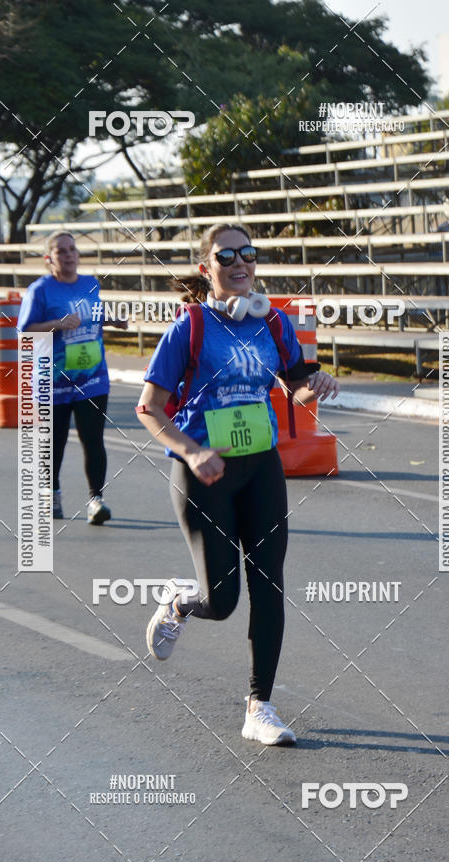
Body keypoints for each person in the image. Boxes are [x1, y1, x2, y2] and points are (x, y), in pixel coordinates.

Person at [136, 223, 339, 746]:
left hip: (262, 467)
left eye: (248, 253)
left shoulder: (273, 322)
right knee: (222, 601)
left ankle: (259, 706)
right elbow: (150, 408)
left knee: (269, 583)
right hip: (206, 474)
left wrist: (314, 384)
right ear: (208, 269)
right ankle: (182, 604)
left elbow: (295, 386)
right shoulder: (189, 328)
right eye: (226, 255)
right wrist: (192, 450)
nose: (240, 262)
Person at [17, 231, 127, 524]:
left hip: (92, 378)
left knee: (93, 439)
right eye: (61, 251)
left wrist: (113, 319)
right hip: (53, 381)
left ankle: (96, 500)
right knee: (55, 443)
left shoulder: (90, 284)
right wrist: (57, 324)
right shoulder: (40, 290)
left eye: (72, 249)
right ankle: (51, 494)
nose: (69, 255)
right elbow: (25, 331)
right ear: (48, 259)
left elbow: (93, 314)